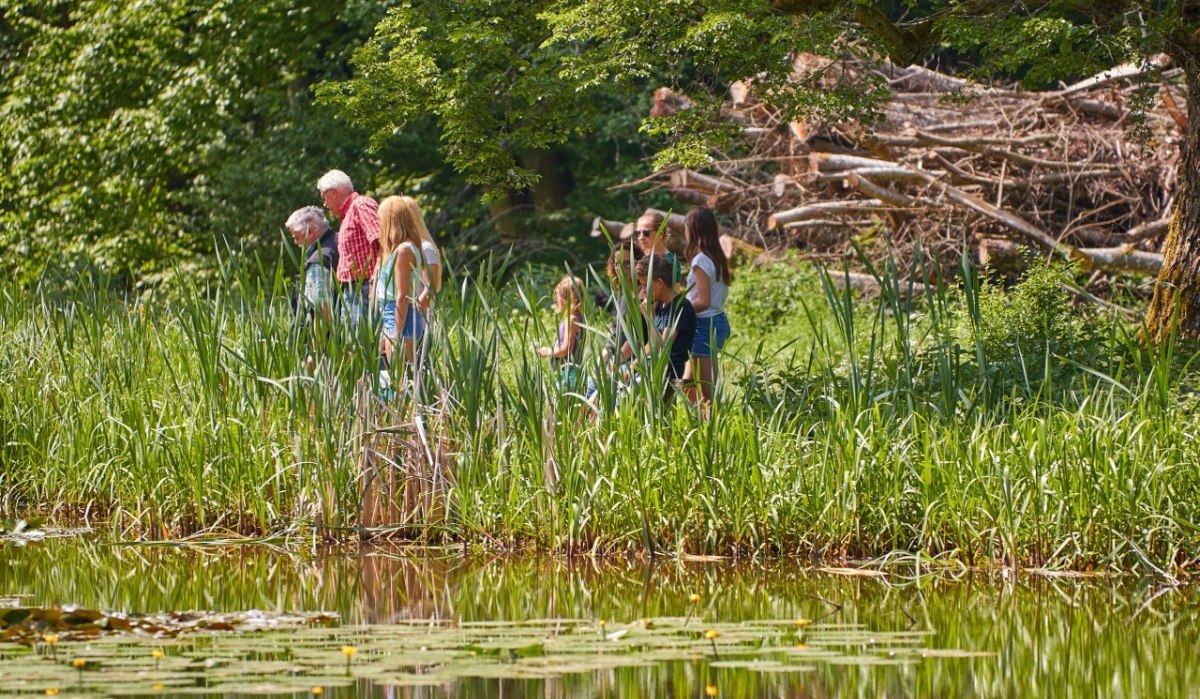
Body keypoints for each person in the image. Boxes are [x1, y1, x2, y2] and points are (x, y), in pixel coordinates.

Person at [681, 206, 733, 407]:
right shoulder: (715, 257)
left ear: (692, 229)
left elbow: (703, 301)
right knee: (687, 383)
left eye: (686, 227)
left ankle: (715, 428)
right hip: (714, 322)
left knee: (708, 390)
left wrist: (680, 310)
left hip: (705, 326)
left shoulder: (700, 260)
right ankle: (701, 422)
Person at [374, 196, 428, 383]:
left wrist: (395, 332)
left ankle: (414, 411)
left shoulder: (405, 250)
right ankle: (390, 411)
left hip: (401, 318)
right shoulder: (399, 248)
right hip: (392, 315)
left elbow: (402, 296)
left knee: (403, 379)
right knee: (389, 376)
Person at [317, 169, 380, 326]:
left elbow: (383, 243)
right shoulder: (348, 213)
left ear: (333, 192)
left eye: (324, 198)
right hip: (355, 290)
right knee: (354, 345)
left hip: (366, 288)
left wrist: (376, 284)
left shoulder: (361, 205)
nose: (324, 204)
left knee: (363, 345)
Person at [637, 254, 696, 406]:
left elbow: (663, 347)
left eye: (644, 285)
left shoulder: (680, 306)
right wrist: (633, 367)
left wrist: (648, 316)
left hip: (671, 372)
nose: (642, 290)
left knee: (659, 413)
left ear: (659, 282)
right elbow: (652, 344)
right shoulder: (661, 305)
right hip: (657, 369)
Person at [284, 205, 338, 323]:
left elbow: (323, 311)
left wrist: (318, 341)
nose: (295, 242)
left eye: (297, 237)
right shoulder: (339, 241)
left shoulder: (318, 261)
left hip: (325, 339)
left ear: (310, 232)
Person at [537, 276, 586, 391]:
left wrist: (549, 351)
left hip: (568, 372)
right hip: (566, 371)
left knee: (563, 406)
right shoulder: (576, 317)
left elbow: (567, 349)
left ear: (564, 299)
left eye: (557, 296)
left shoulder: (572, 319)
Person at [603, 241, 646, 367]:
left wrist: (614, 365)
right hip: (615, 362)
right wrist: (601, 362)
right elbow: (614, 337)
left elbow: (637, 340)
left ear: (639, 264)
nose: (621, 268)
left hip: (633, 365)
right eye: (617, 264)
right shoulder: (622, 299)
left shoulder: (646, 298)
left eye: (627, 263)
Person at [635, 211, 682, 286]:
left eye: (646, 233)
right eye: (637, 233)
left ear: (661, 233)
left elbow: (675, 294)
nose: (641, 237)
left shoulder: (671, 261)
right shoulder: (639, 258)